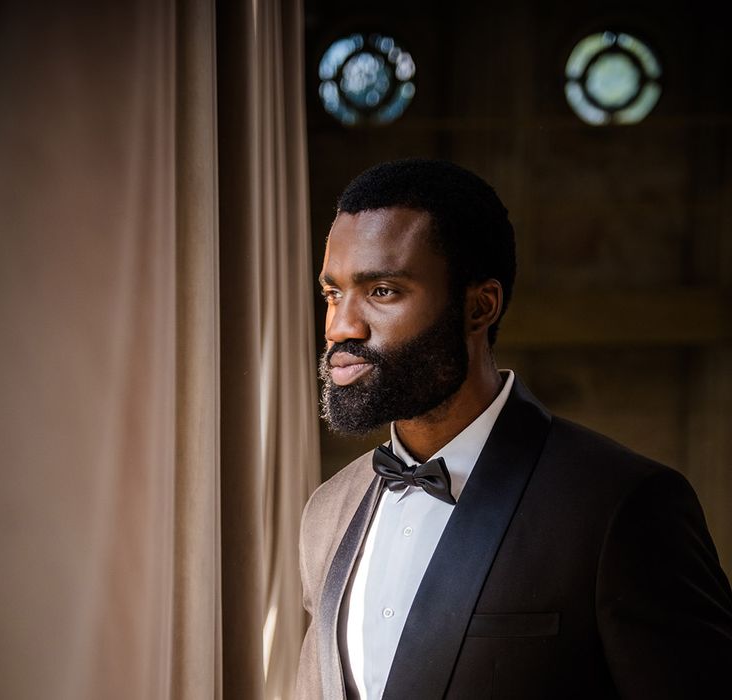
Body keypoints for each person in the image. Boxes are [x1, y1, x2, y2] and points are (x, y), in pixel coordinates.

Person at [296, 159, 732, 699]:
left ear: (480, 307)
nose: (341, 326)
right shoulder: (327, 512)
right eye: (333, 293)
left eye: (383, 291)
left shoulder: (623, 505)